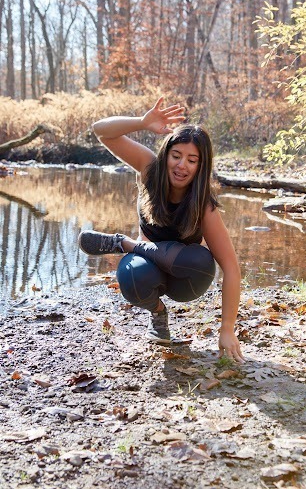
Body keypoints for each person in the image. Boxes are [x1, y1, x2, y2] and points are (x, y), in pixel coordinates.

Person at [79, 97, 244, 363]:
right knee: (132, 275)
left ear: (201, 166)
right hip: (148, 268)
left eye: (192, 160)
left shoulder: (204, 206)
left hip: (184, 278)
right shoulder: (149, 169)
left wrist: (226, 330)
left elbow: (232, 268)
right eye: (176, 156)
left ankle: (125, 244)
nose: (182, 166)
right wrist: (142, 123)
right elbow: (100, 130)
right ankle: (157, 313)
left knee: (201, 262)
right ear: (166, 154)